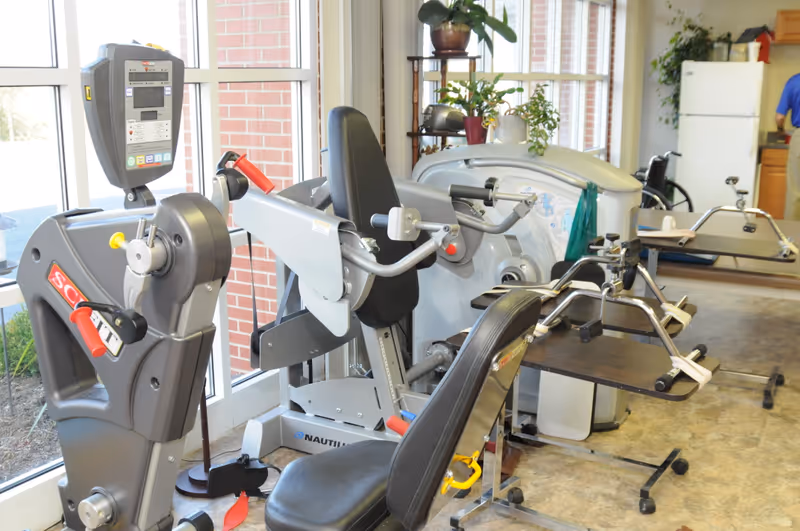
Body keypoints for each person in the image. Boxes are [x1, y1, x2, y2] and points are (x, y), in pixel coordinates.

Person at [778, 73, 800, 219]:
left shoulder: (794, 82)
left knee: (795, 193)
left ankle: (792, 238)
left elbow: (780, 117)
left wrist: (781, 130)